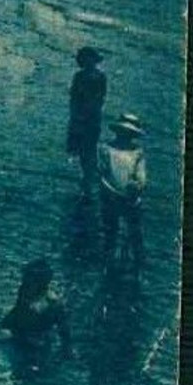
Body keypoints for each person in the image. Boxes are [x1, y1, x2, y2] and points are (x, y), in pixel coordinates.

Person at [98, 113, 147, 271]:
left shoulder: (137, 153)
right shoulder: (106, 149)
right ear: (118, 131)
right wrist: (107, 189)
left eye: (129, 133)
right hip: (110, 196)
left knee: (134, 235)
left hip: (131, 198)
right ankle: (109, 263)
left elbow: (141, 176)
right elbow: (101, 173)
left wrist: (137, 186)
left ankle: (136, 265)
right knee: (110, 233)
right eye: (123, 132)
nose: (125, 135)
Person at [0, 258, 72, 356]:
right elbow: (16, 313)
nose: (23, 282)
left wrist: (66, 349)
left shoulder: (53, 304)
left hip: (37, 342)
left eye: (27, 278)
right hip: (21, 333)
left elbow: (64, 330)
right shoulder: (25, 291)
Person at [67, 47, 108, 200]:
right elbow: (74, 97)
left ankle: (88, 182)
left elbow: (100, 98)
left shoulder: (99, 77)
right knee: (83, 151)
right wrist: (76, 117)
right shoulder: (80, 76)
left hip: (89, 118)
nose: (86, 61)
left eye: (88, 58)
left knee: (88, 150)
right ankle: (87, 181)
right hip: (81, 118)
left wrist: (84, 113)